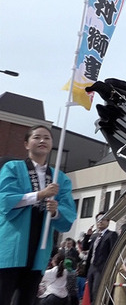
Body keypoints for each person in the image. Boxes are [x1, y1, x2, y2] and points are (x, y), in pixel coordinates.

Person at [0, 125, 76, 305]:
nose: (42, 141)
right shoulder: (12, 168)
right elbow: (4, 199)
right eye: (37, 137)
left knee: (27, 298)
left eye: (47, 138)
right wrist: (40, 195)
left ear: (51, 145)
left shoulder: (60, 178)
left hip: (39, 249)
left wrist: (55, 211)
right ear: (26, 144)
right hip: (11, 246)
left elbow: (68, 211)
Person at [82, 212, 118, 303]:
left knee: (97, 292)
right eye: (98, 220)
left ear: (108, 222)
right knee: (91, 293)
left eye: (102, 219)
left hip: (102, 268)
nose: (100, 222)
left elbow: (114, 252)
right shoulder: (94, 236)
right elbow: (85, 247)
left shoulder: (111, 234)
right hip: (92, 267)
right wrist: (87, 236)